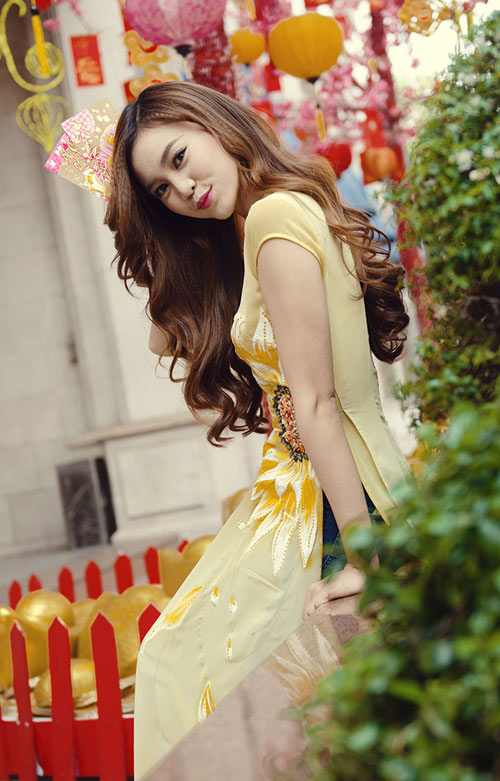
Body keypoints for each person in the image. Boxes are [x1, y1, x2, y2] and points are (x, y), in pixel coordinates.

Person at [105, 81, 413, 779]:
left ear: (215, 125)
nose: (183, 189)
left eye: (179, 158)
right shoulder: (263, 221)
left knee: (187, 661)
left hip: (331, 495)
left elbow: (318, 402)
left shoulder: (274, 217)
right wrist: (150, 235)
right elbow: (164, 338)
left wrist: (361, 553)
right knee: (194, 662)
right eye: (161, 190)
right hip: (302, 489)